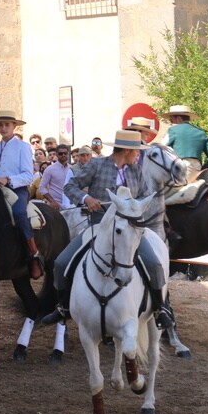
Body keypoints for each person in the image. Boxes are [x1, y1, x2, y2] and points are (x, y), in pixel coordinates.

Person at [43, 129, 172, 329]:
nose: (138, 155)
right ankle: (63, 307)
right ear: (127, 151)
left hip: (130, 231)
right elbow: (71, 186)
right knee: (61, 263)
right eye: (137, 151)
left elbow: (145, 196)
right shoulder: (96, 165)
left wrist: (136, 206)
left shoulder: (136, 170)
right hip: (98, 227)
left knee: (154, 264)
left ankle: (159, 309)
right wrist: (87, 199)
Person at [0, 110, 42, 279]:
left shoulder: (23, 147)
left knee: (19, 213)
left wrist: (8, 179)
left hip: (18, 189)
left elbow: (28, 175)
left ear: (14, 126)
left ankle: (34, 256)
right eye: (0, 124)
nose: (3, 127)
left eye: (7, 124)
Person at [162, 105, 208, 183]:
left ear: (178, 118)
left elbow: (160, 148)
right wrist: (203, 170)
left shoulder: (173, 130)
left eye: (171, 120)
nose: (171, 124)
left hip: (179, 168)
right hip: (197, 170)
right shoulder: (200, 132)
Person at [39, 144, 73, 210]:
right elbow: (42, 188)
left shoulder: (72, 169)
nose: (63, 155)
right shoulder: (49, 169)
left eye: (65, 153)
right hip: (56, 206)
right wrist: (52, 201)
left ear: (68, 154)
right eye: (60, 153)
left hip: (71, 206)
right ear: (56, 155)